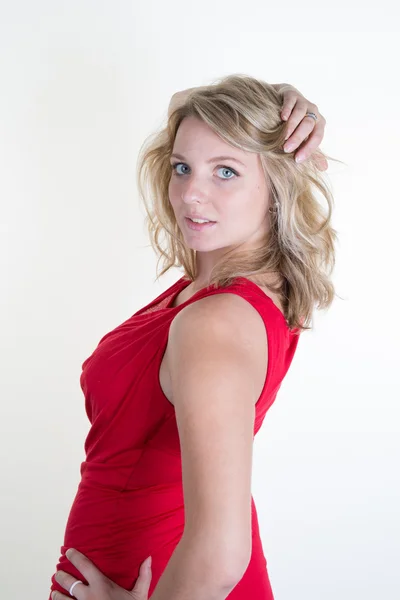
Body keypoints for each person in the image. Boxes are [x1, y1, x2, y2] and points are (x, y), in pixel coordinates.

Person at [49, 74, 337, 600]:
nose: (190, 194)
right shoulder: (226, 288)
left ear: (275, 183)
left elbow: (221, 554)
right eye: (183, 168)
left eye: (225, 171)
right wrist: (279, 103)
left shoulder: (216, 320)